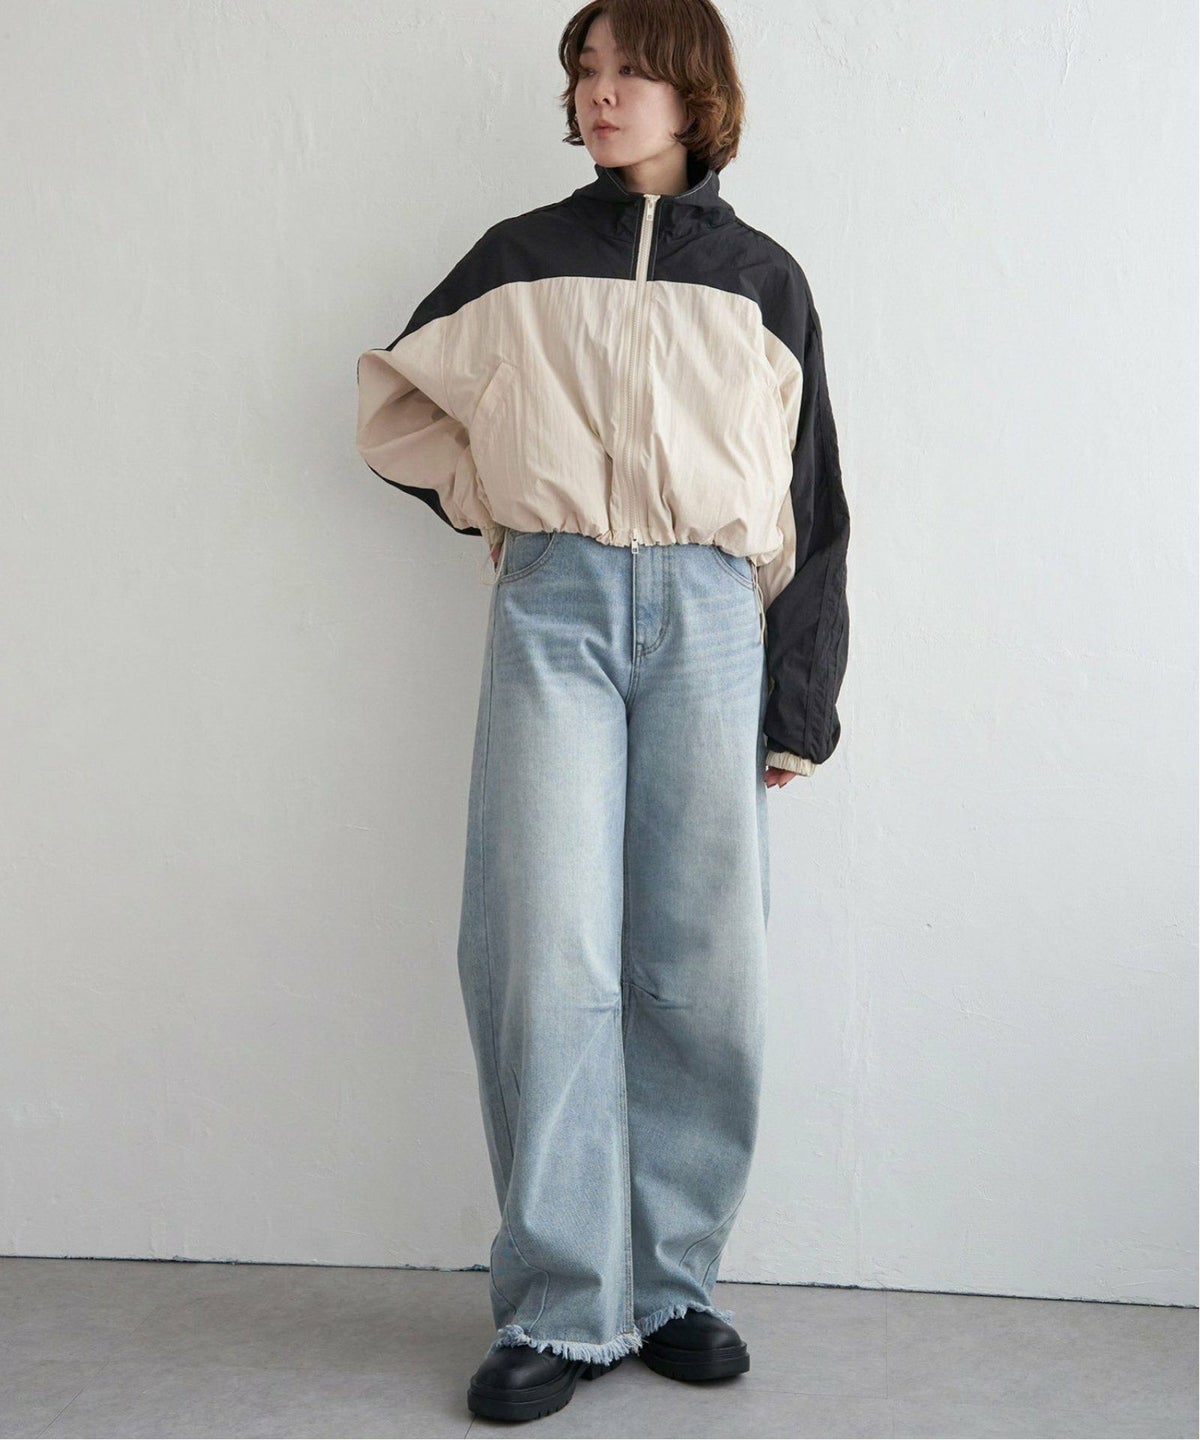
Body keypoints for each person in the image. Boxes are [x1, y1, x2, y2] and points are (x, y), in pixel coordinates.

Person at [355, 0, 850, 1422]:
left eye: (632, 69)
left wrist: (800, 700)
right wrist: (505, 500)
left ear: (697, 92)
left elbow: (813, 499)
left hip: (712, 618)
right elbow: (397, 408)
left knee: (703, 959)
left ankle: (675, 1285)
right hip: (555, 610)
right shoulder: (519, 259)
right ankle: (564, 1307)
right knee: (541, 948)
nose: (601, 91)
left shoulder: (759, 278)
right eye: (586, 69)